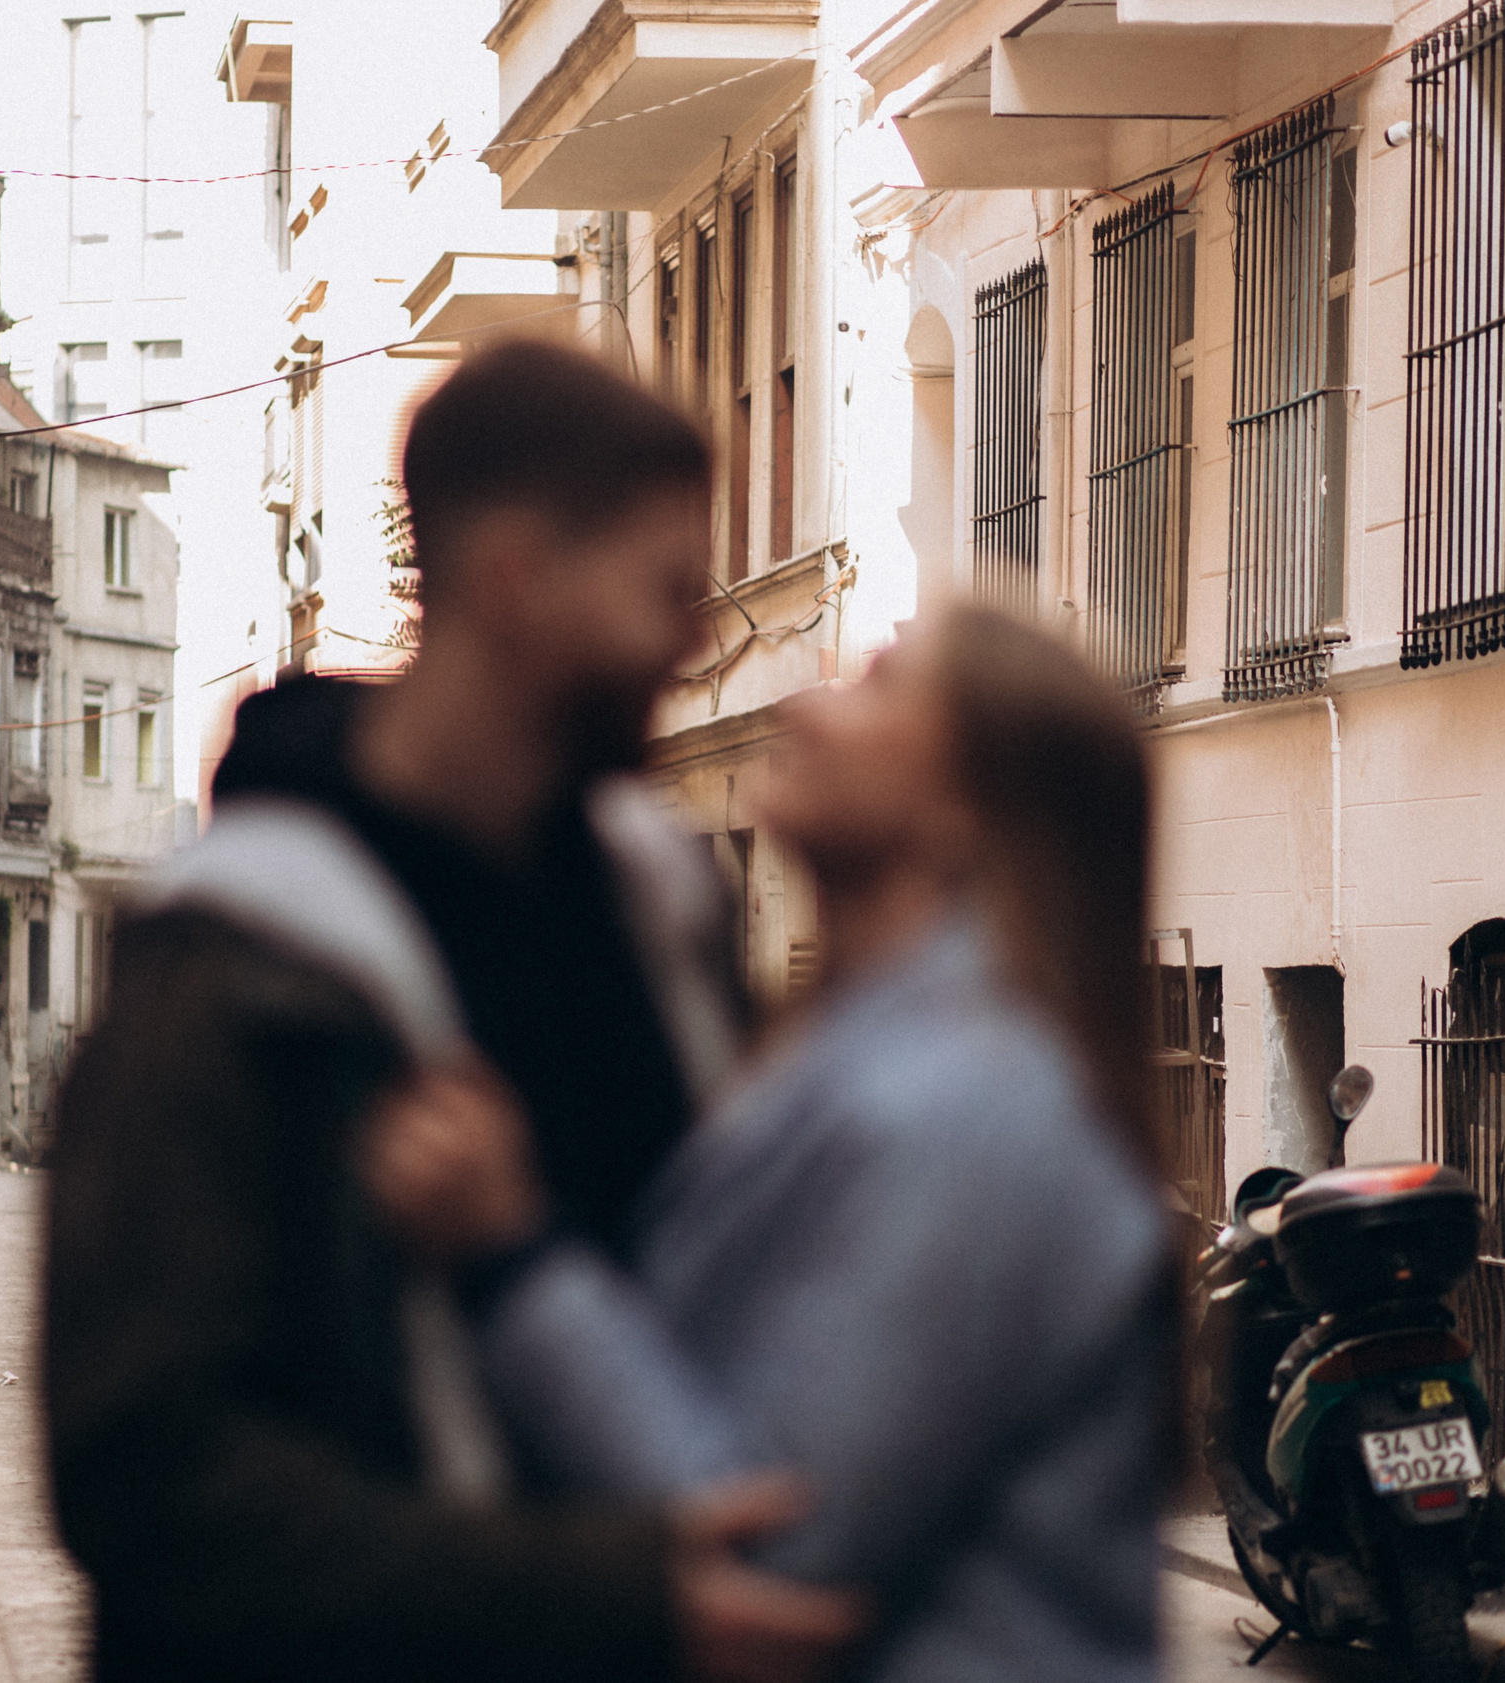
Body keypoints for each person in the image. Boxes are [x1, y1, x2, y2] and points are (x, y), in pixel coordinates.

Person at [42, 341, 863, 1683]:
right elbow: (149, 1480)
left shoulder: (664, 903)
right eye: (664, 585)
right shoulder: (227, 954)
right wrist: (598, 1595)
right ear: (515, 579)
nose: (697, 635)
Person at [363, 607, 1180, 1683]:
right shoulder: (870, 1058)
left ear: (962, 815)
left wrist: (514, 1258)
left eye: (880, 686)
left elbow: (781, 1554)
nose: (805, 702)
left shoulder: (973, 1107)